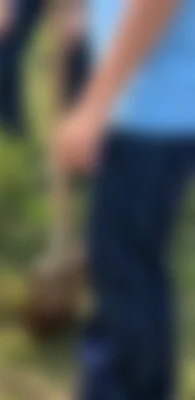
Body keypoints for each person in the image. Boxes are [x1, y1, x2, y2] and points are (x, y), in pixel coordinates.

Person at [55, 0, 195, 398]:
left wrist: (95, 106)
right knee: (130, 270)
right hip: (146, 110)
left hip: (146, 114)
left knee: (126, 276)